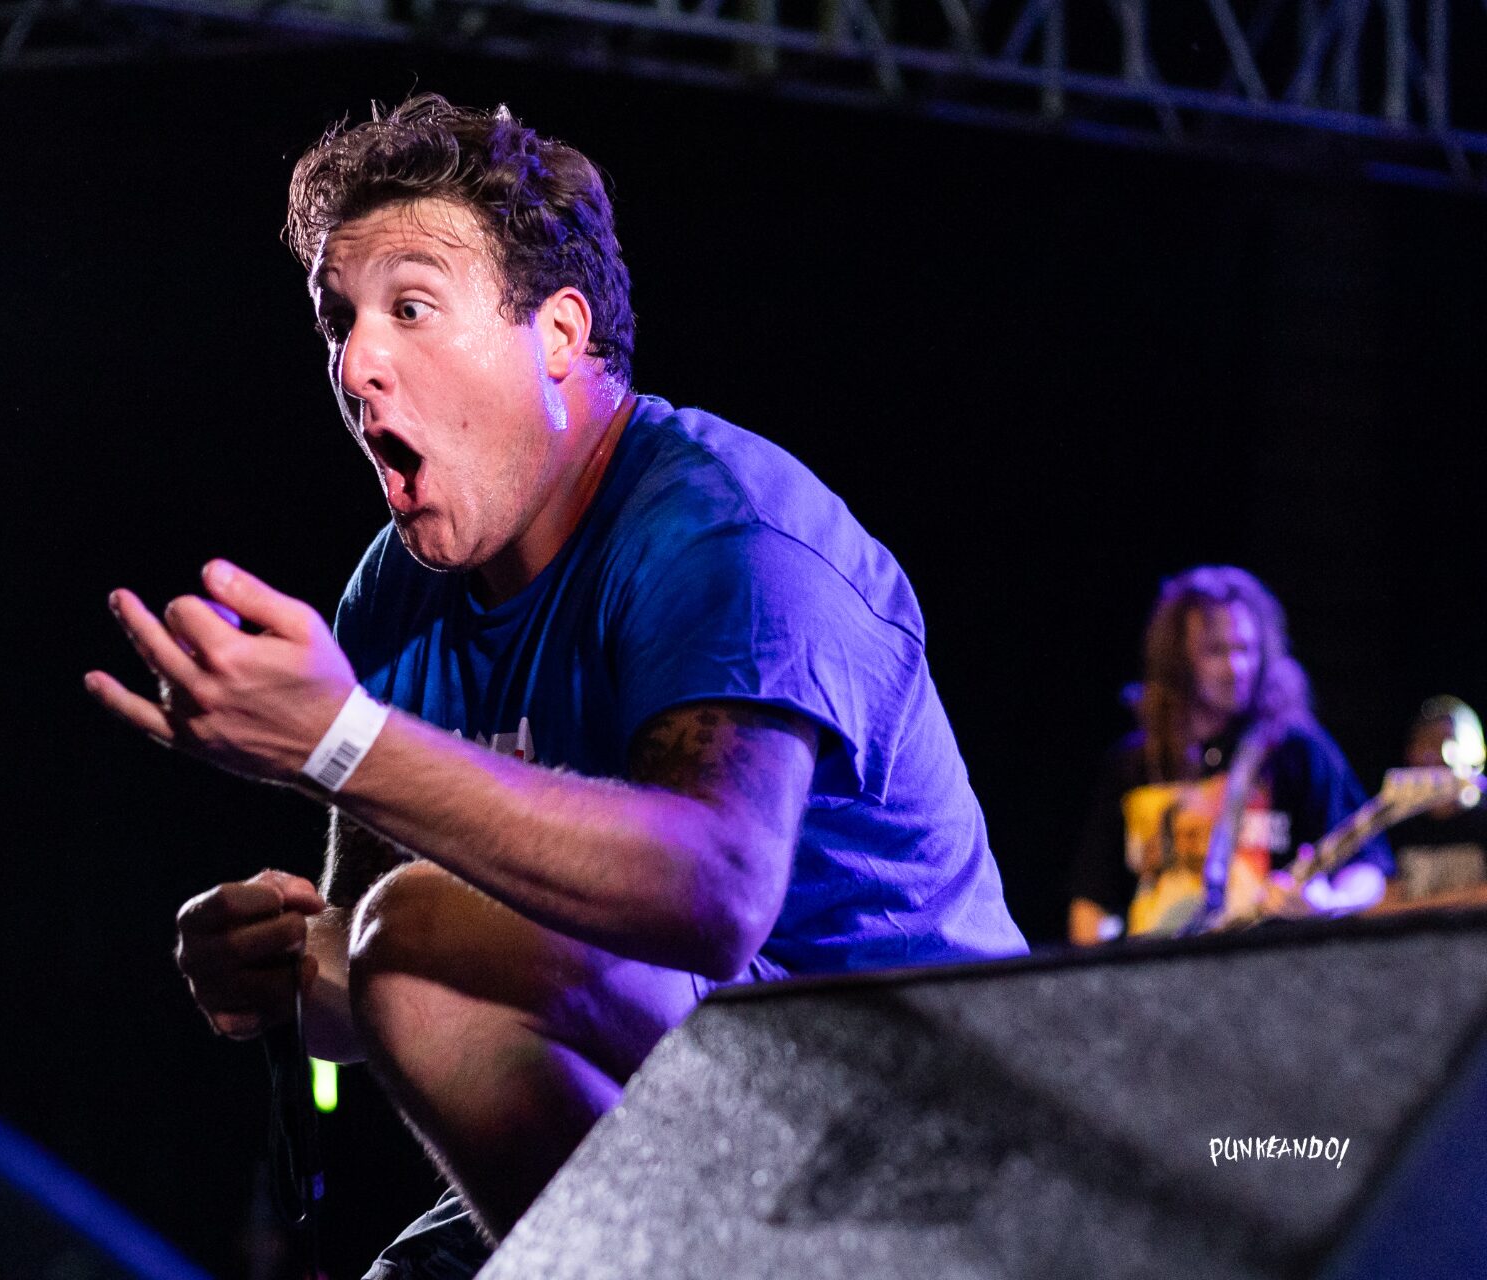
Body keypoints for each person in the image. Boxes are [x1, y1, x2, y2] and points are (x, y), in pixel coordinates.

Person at [86, 95, 1025, 1277]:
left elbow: (716, 888)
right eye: (339, 318)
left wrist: (337, 740)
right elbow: (374, 953)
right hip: (707, 1113)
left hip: (932, 1138)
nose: (357, 362)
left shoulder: (721, 534)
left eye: (410, 307)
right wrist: (278, 967)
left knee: (416, 931)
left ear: (560, 335)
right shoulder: (400, 592)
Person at [1068, 566, 1391, 946]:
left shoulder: (1295, 750)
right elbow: (1091, 902)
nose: (1236, 667)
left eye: (1246, 649)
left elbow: (1369, 870)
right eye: (1215, 651)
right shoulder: (1135, 763)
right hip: (1155, 973)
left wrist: (1328, 904)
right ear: (1178, 660)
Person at [1383, 696, 1487, 905]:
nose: (1433, 757)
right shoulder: (1393, 824)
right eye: (1425, 744)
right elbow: (1382, 898)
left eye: (1446, 743)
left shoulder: (1482, 819)